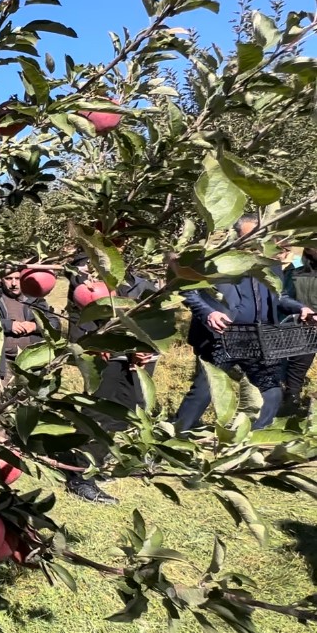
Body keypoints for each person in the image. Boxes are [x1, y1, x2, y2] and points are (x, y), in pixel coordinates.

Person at [174, 215, 317, 431]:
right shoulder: (215, 262)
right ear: (236, 236)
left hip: (259, 337)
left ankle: (254, 435)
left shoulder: (272, 265)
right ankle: (179, 433)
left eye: (259, 236)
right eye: (250, 235)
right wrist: (209, 313)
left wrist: (301, 308)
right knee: (207, 388)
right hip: (222, 337)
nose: (255, 241)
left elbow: (280, 296)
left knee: (271, 390)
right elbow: (188, 292)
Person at [62, 254, 158, 504]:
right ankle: (81, 477)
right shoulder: (86, 283)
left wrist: (147, 346)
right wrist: (91, 344)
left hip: (139, 361)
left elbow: (156, 319)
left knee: (131, 411)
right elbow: (79, 322)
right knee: (98, 414)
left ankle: (101, 464)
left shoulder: (142, 284)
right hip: (106, 358)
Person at [0, 271, 61, 386]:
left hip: (31, 363)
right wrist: (8, 325)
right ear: (1, 279)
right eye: (8, 278)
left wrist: (35, 326)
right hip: (1, 365)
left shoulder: (35, 299)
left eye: (18, 279)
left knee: (30, 402)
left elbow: (55, 324)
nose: (13, 283)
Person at [281, 246, 317, 417]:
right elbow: (284, 295)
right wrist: (302, 310)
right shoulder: (295, 268)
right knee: (298, 365)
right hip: (304, 324)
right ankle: (291, 403)